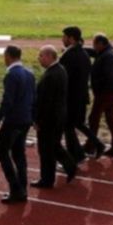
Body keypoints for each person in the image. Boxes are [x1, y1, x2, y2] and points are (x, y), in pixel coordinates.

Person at [0, 45, 35, 204]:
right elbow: (32, 98)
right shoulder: (30, 73)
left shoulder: (11, 75)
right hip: (26, 120)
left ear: (8, 56)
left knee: (2, 152)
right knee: (19, 153)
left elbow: (7, 100)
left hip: (13, 120)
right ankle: (22, 188)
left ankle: (16, 188)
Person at [31, 45, 76, 188]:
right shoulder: (59, 70)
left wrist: (38, 120)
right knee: (53, 146)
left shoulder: (51, 75)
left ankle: (47, 179)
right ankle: (69, 166)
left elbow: (45, 102)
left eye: (41, 56)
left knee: (46, 150)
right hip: (57, 116)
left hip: (49, 119)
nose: (39, 59)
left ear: (50, 56)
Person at [60, 26, 101, 162]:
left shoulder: (70, 55)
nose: (62, 39)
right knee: (76, 124)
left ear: (71, 38)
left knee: (68, 126)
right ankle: (97, 145)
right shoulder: (83, 54)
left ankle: (76, 156)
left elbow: (64, 78)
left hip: (72, 97)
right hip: (81, 96)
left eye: (64, 37)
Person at [87, 33, 113, 158]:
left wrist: (96, 84)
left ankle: (91, 145)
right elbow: (93, 52)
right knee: (110, 119)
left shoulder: (108, 57)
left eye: (94, 44)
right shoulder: (107, 52)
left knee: (93, 118)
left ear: (101, 44)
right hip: (111, 92)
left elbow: (108, 77)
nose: (93, 47)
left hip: (105, 93)